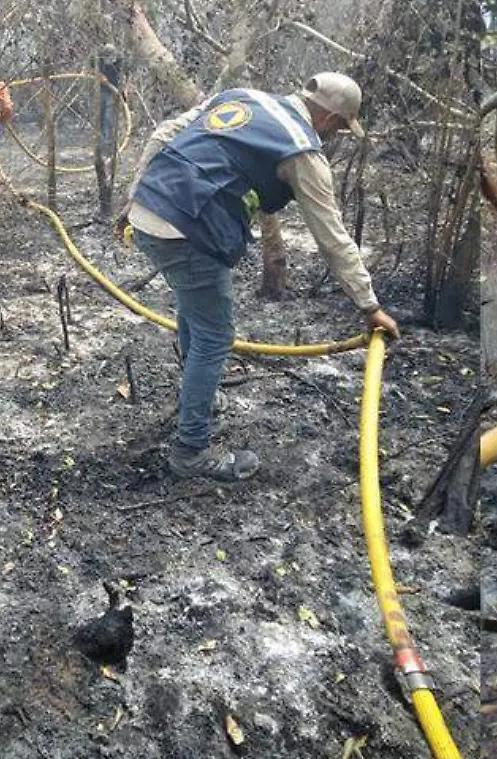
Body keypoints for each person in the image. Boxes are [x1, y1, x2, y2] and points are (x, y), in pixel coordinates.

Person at [119, 73, 400, 481]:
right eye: (340, 128)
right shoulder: (302, 151)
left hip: (150, 213)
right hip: (186, 227)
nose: (335, 136)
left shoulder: (243, 96)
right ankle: (191, 452)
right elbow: (333, 238)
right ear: (328, 120)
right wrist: (369, 305)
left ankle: (200, 397)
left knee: (195, 309)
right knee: (215, 335)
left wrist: (134, 197)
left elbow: (165, 132)